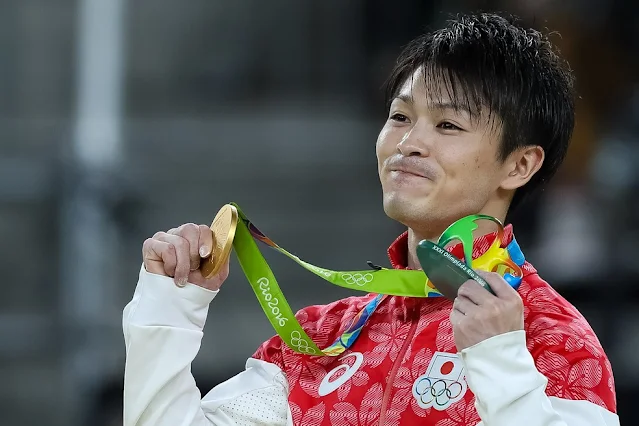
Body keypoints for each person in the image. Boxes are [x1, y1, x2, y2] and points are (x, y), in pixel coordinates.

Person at [122, 12, 619, 426]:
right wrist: (169, 306)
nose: (407, 144)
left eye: (447, 125)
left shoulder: (552, 341)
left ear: (520, 164)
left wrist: (500, 361)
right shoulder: (317, 342)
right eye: (400, 117)